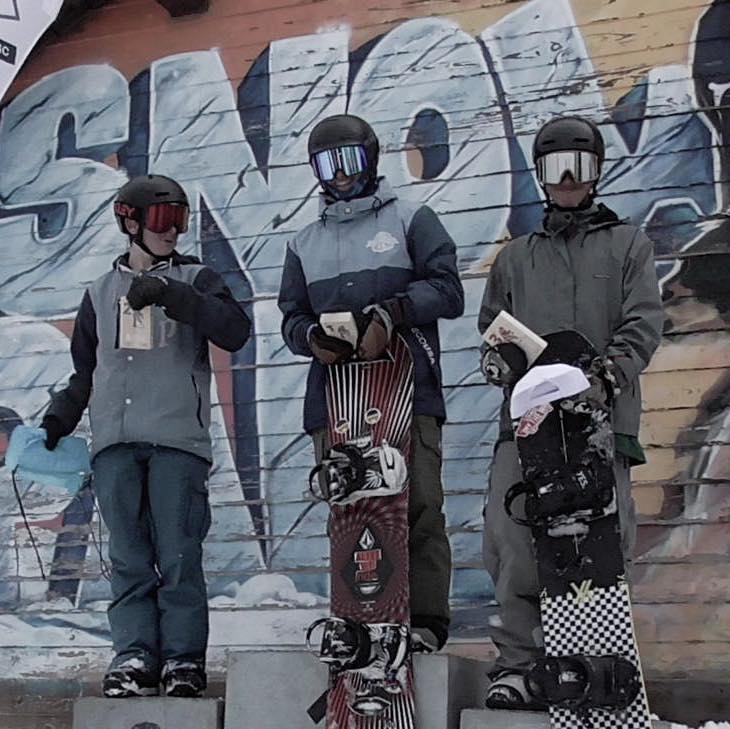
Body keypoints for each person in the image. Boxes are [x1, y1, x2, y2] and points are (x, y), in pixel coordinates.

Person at [477, 116, 664, 709]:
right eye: (554, 168)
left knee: (600, 544)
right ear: (539, 175)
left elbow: (644, 322)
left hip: (600, 423)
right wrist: (502, 361)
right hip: (527, 429)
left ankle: (594, 664)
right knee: (512, 540)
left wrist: (607, 375)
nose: (566, 180)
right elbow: (493, 329)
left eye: (577, 167)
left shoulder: (627, 244)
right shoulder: (516, 258)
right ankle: (518, 666)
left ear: (596, 172)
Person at [40, 174, 251, 698]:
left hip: (176, 442)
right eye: (162, 219)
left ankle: (183, 659)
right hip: (115, 446)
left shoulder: (197, 278)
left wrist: (174, 295)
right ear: (130, 222)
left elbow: (234, 330)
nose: (173, 230)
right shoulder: (99, 293)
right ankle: (134, 655)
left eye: (180, 219)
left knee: (178, 553)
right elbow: (87, 372)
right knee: (129, 557)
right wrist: (59, 418)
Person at [277, 113, 464, 652]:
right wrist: (311, 337)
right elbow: (290, 317)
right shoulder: (304, 242)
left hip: (407, 388)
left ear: (372, 159)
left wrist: (393, 313)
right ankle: (358, 619)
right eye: (326, 165)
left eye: (349, 161)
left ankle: (424, 621)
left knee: (417, 504)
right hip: (337, 397)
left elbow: (448, 290)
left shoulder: (411, 218)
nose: (339, 175)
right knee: (349, 508)